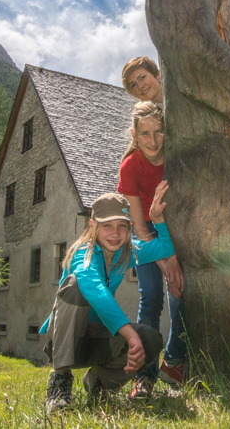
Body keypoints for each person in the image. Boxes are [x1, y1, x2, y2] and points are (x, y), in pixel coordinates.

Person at [42, 186, 173, 413]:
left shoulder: (127, 252)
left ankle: (99, 382)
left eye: (122, 225)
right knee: (74, 284)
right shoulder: (83, 252)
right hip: (67, 340)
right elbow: (92, 287)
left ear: (130, 227)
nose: (115, 233)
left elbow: (165, 248)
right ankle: (59, 383)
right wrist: (130, 334)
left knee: (151, 339)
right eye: (107, 226)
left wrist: (157, 220)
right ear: (93, 226)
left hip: (98, 339)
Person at [116, 101, 187, 396]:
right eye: (145, 133)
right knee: (152, 296)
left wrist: (174, 259)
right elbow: (141, 228)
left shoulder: (174, 158)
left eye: (159, 132)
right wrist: (166, 263)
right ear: (134, 134)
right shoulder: (130, 166)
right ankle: (144, 376)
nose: (153, 141)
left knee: (180, 292)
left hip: (174, 226)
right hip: (145, 232)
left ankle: (173, 362)